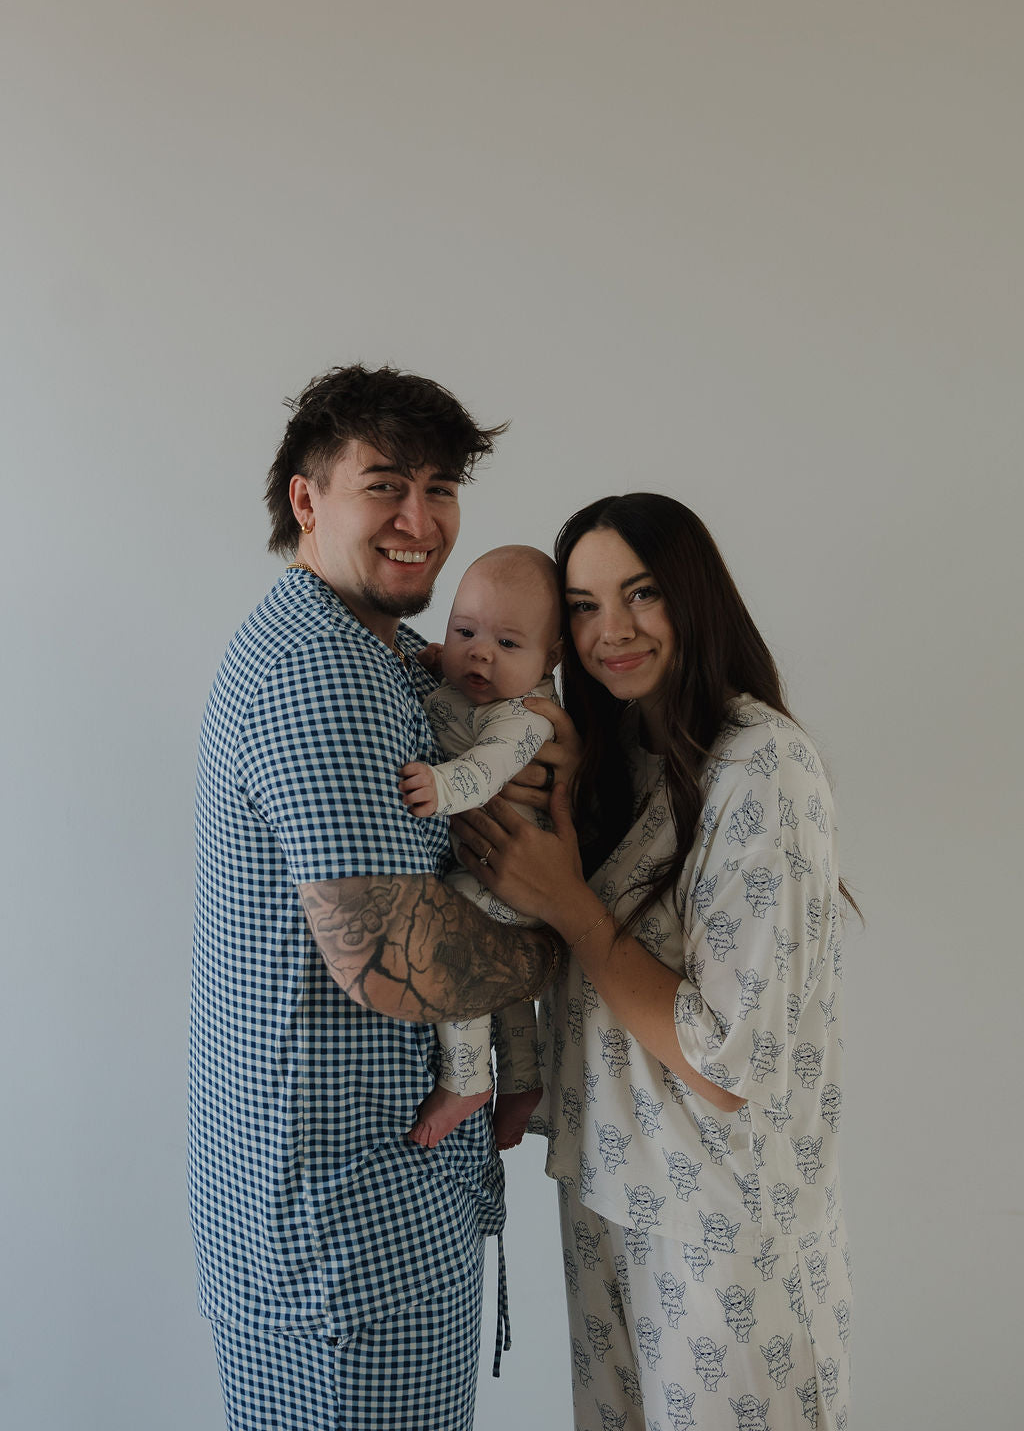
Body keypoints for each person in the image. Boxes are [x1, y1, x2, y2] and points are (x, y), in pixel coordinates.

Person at [189, 364, 562, 1431]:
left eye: (440, 488)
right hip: (352, 1232)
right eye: (385, 485)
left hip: (337, 1210)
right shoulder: (329, 675)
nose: (420, 519)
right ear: (307, 501)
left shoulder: (390, 656)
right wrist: (564, 930)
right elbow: (395, 964)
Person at [452, 493, 854, 1431]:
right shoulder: (615, 758)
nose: (613, 631)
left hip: (723, 1228)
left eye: (642, 594)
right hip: (607, 1192)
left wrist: (567, 902)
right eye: (585, 607)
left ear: (695, 596)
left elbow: (727, 1064)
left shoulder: (762, 769)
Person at [398, 545, 563, 1151]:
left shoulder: (526, 716)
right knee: (503, 982)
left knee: (455, 936)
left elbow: (489, 770)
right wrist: (447, 658)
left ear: (551, 659)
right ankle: (522, 1079)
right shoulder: (471, 680)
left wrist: (441, 786)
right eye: (465, 630)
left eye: (508, 645)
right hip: (494, 873)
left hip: (519, 886)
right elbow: (460, 670)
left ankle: (467, 1077)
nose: (481, 652)